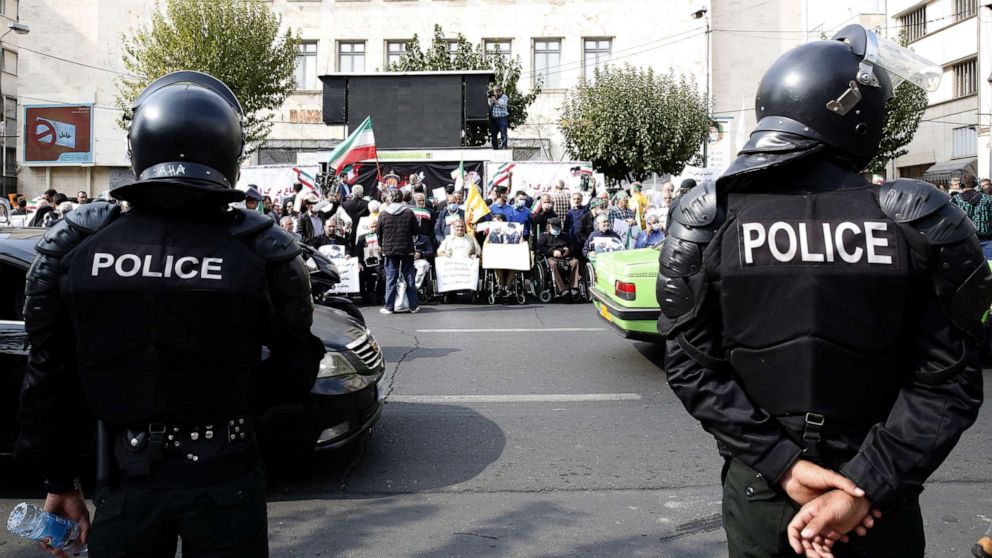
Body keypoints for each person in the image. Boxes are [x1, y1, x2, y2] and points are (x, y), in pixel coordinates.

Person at [657, 26, 988, 558]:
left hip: (764, 488)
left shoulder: (709, 217)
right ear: (857, 116)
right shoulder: (918, 218)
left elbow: (692, 366)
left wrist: (785, 466)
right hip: (877, 499)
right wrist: (867, 484)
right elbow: (949, 380)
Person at [16, 71, 324, 557]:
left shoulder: (80, 246)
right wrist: (233, 399)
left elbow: (48, 374)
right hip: (227, 473)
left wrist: (60, 479)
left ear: (139, 148)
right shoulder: (262, 249)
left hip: (126, 478)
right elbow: (296, 365)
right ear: (230, 153)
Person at [376, 190, 420, 314]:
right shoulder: (408, 212)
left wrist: (381, 246)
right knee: (409, 277)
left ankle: (389, 307)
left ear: (390, 198)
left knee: (391, 278)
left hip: (389, 250)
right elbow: (416, 231)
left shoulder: (383, 213)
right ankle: (413, 306)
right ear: (401, 199)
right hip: (407, 249)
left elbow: (378, 232)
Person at [951, 174, 992, 258]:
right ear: (976, 184)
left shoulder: (955, 200)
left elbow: (952, 220)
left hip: (965, 240)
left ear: (961, 185)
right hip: (986, 239)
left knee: (969, 267)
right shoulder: (988, 199)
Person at [537, 217, 580, 297]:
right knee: (553, 264)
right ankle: (561, 289)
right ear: (549, 226)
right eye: (554, 227)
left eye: (558, 227)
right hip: (551, 257)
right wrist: (552, 252)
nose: (556, 229)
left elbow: (572, 246)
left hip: (565, 257)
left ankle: (574, 287)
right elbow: (541, 248)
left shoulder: (565, 235)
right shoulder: (544, 236)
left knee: (575, 262)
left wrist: (568, 250)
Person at [488, 85, 509, 149]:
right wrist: (491, 101)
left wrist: (495, 100)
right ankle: (495, 147)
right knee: (493, 134)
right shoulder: (493, 97)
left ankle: (504, 147)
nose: (496, 93)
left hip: (502, 118)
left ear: (500, 91)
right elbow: (489, 105)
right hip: (494, 119)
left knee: (503, 134)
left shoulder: (504, 97)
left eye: (497, 92)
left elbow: (502, 105)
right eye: (495, 92)